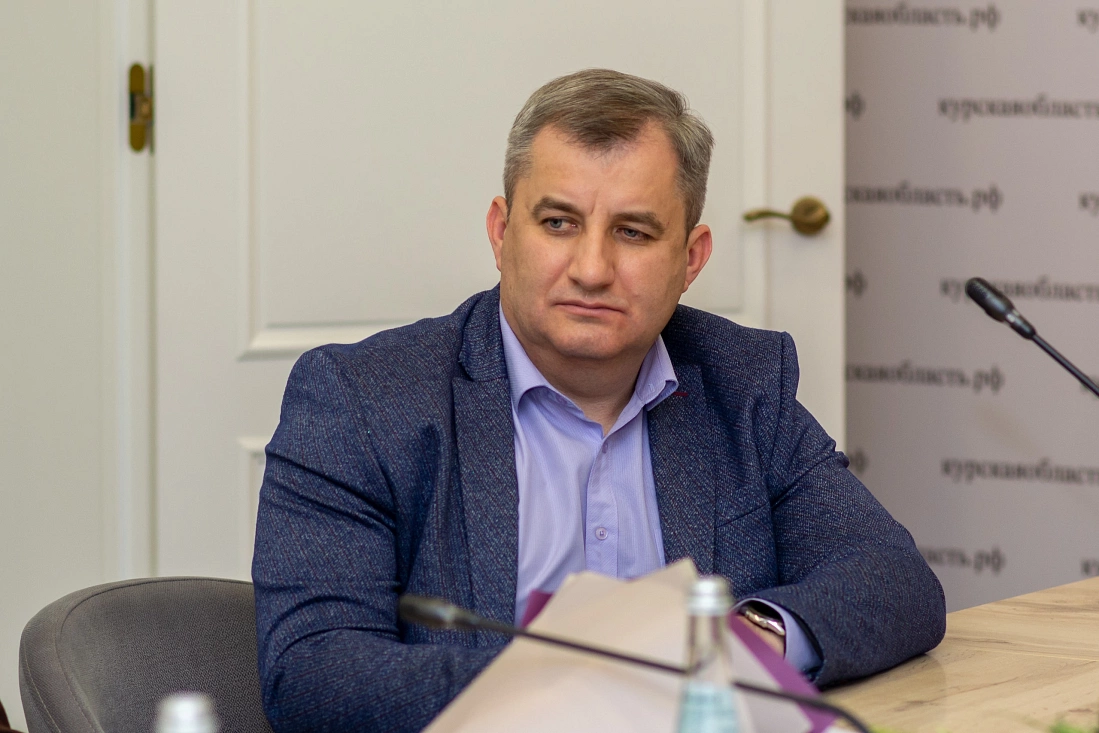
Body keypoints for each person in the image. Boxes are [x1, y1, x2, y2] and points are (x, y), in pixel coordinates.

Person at [252, 68, 945, 733]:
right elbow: (314, 674)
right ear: (500, 232)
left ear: (691, 258)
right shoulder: (363, 401)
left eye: (632, 232)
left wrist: (740, 644)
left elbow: (893, 581)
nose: (591, 269)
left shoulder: (742, 382)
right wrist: (589, 684)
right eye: (558, 222)